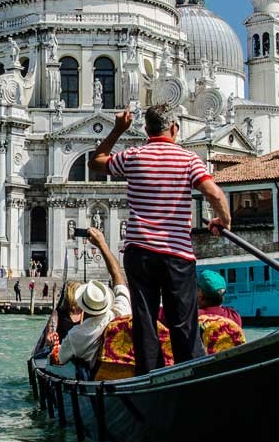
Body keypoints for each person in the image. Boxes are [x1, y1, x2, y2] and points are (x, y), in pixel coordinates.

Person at [90, 104, 232, 375]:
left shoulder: (133, 156)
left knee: (145, 320)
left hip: (139, 251)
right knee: (183, 322)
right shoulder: (188, 159)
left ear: (146, 130)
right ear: (174, 128)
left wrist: (117, 130)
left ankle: (149, 377)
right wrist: (223, 221)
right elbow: (214, 194)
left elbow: (96, 161)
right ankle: (188, 374)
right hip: (176, 254)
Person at [46, 228, 131, 371]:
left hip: (97, 375)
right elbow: (118, 276)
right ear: (107, 302)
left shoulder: (77, 335)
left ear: (82, 305)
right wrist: (102, 245)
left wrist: (53, 347)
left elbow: (58, 360)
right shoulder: (122, 311)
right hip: (127, 370)